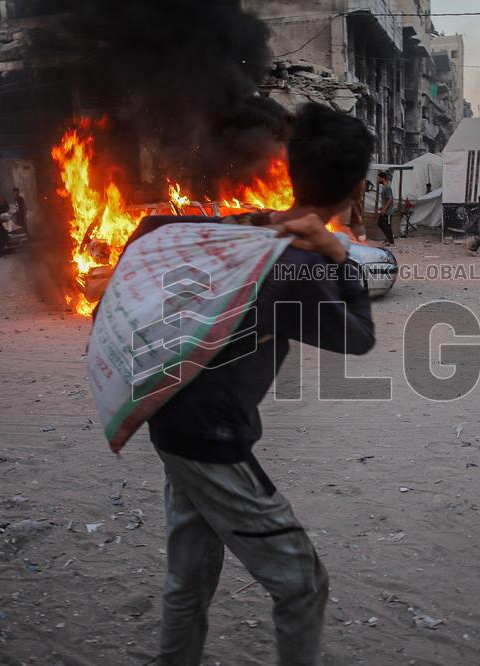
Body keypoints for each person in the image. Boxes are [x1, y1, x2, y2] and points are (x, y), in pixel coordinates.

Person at [144, 102, 375, 666]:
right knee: (302, 584)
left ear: (293, 173)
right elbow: (359, 337)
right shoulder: (298, 265)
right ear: (358, 190)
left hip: (167, 417)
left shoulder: (246, 231)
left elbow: (154, 227)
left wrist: (267, 223)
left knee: (189, 581)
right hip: (212, 441)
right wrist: (340, 256)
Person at [376, 171, 395, 245]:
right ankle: (388, 237)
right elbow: (386, 199)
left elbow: (390, 199)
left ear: (383, 178)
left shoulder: (387, 187)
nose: (378, 180)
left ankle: (392, 243)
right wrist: (382, 207)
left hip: (388, 211)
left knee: (388, 226)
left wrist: (384, 209)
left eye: (379, 178)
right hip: (385, 210)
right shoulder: (384, 187)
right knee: (380, 223)